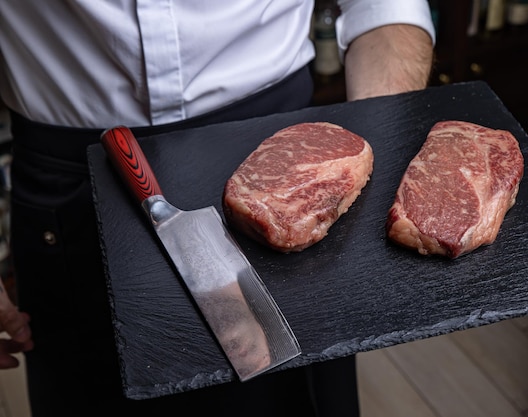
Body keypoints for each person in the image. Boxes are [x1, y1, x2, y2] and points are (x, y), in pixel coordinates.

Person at [0, 1, 434, 415]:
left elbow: (383, 6)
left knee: (290, 391)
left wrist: (363, 161)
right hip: (72, 173)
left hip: (292, 160)